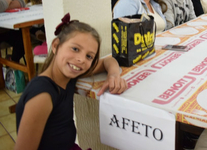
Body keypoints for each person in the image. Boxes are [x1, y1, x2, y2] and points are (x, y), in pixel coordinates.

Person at [15, 13, 128, 150]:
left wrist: (114, 75)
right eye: (75, 49)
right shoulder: (42, 95)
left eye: (89, 56)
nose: (81, 59)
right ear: (56, 45)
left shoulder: (70, 75)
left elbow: (109, 61)